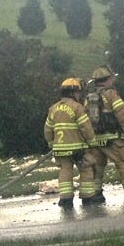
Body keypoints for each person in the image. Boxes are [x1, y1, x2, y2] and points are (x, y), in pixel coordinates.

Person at [86, 65, 124, 202]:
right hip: (113, 138)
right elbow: (121, 113)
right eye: (111, 79)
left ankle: (95, 193)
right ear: (107, 80)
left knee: (97, 167)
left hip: (95, 139)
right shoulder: (111, 94)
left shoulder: (88, 98)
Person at [44, 76, 99, 208]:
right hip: (78, 149)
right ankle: (87, 197)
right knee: (86, 170)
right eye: (79, 93)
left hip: (60, 149)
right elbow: (86, 127)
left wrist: (52, 144)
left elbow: (47, 130)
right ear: (74, 93)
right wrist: (92, 143)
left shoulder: (53, 109)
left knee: (65, 171)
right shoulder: (77, 108)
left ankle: (65, 199)